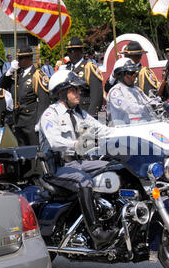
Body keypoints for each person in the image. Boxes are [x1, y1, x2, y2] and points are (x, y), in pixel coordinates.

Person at [37, 70, 117, 249]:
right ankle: (96, 232)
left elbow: (101, 129)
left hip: (78, 163)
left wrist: (127, 133)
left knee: (114, 167)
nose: (79, 93)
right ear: (62, 92)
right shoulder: (51, 115)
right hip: (57, 168)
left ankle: (111, 216)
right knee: (84, 181)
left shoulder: (80, 114)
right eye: (74, 90)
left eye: (79, 90)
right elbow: (55, 141)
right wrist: (76, 144)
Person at [0, 46, 50, 146]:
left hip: (31, 119)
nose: (19, 61)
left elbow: (44, 100)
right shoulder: (16, 74)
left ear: (29, 59)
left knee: (33, 152)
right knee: (22, 154)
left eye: (21, 58)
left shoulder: (37, 75)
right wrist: (10, 71)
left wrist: (40, 121)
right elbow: (2, 85)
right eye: (18, 58)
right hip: (18, 119)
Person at [106, 58, 161, 125]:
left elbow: (147, 100)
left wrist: (159, 103)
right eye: (131, 73)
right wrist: (145, 107)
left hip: (137, 126)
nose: (134, 75)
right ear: (120, 74)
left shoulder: (136, 89)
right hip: (122, 129)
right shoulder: (116, 92)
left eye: (135, 73)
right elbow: (129, 108)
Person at [64, 37, 103, 117]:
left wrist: (91, 116)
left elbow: (96, 95)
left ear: (81, 51)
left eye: (73, 50)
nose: (70, 54)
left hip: (85, 112)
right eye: (69, 51)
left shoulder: (89, 68)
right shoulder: (66, 70)